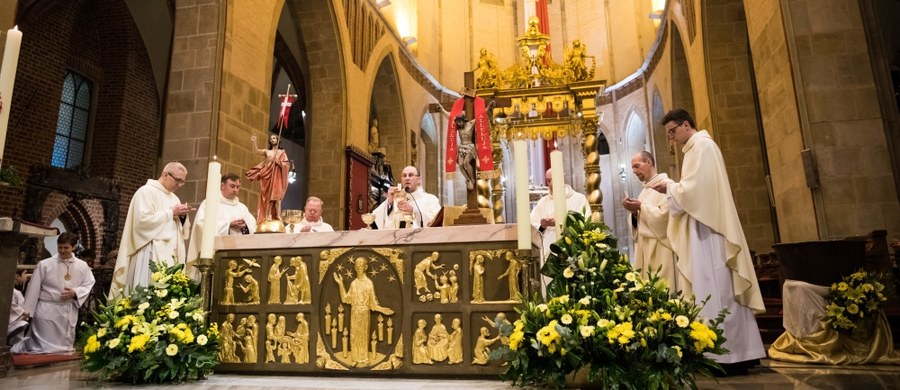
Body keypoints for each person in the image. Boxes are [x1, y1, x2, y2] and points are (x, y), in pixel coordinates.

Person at [652, 108, 765, 374]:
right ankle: (720, 352)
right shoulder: (694, 150)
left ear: (686, 124)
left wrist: (669, 186)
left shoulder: (703, 147)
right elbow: (692, 191)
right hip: (701, 228)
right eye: (668, 134)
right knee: (709, 291)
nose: (671, 139)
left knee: (720, 289)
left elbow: (696, 192)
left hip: (711, 232)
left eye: (672, 132)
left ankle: (731, 355)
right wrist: (673, 188)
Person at [109, 162, 193, 299]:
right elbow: (142, 222)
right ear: (165, 174)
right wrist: (171, 212)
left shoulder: (174, 198)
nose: (179, 185)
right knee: (148, 294)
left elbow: (179, 229)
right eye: (177, 180)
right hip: (151, 252)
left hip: (171, 254)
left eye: (182, 182)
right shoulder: (146, 192)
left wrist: (182, 217)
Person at [12, 232, 96, 354]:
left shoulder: (82, 266)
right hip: (46, 309)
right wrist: (28, 310)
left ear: (73, 247)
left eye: (66, 247)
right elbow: (33, 287)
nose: (62, 250)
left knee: (62, 348)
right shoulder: (45, 264)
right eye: (60, 247)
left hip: (67, 310)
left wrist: (76, 292)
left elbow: (89, 283)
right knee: (42, 347)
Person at [186, 173, 257, 280]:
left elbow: (253, 227)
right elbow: (201, 224)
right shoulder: (210, 203)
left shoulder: (242, 208)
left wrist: (244, 226)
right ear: (222, 185)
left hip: (238, 255)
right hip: (215, 255)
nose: (235, 190)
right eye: (232, 186)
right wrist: (228, 225)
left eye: (238, 187)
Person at [622, 151, 677, 288]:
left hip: (661, 249)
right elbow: (639, 225)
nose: (634, 171)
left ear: (649, 162)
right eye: (633, 168)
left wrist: (641, 207)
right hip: (645, 249)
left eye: (637, 166)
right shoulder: (645, 191)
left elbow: (665, 218)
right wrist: (634, 213)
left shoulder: (667, 185)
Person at [333, 257, 394, 367]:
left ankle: (364, 358)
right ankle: (355, 358)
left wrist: (383, 310)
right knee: (354, 336)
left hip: (365, 312)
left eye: (361, 265)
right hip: (355, 312)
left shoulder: (369, 283)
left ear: (365, 267)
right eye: (357, 265)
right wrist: (340, 284)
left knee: (363, 335)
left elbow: (373, 304)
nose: (359, 267)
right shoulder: (353, 283)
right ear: (355, 267)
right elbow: (345, 299)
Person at [530, 168, 591, 262]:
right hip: (547, 249)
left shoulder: (578, 199)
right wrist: (543, 226)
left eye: (551, 180)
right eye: (547, 180)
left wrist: (561, 222)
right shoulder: (543, 202)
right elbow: (533, 224)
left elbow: (585, 222)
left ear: (561, 179)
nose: (549, 184)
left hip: (571, 250)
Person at [371, 166, 441, 229]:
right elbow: (375, 216)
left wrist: (413, 210)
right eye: (404, 176)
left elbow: (436, 221)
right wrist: (390, 202)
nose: (407, 178)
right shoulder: (396, 199)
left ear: (419, 180)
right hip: (396, 241)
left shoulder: (431, 199)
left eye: (410, 175)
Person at [246, 133, 290, 222]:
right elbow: (256, 151)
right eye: (271, 138)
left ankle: (277, 215)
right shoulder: (267, 151)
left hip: (277, 178)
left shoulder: (282, 153)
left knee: (277, 197)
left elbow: (287, 165)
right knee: (268, 197)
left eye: (274, 138)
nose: (272, 139)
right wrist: (254, 142)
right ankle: (268, 214)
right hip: (267, 176)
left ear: (278, 140)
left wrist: (278, 162)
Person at [455, 114, 478, 190]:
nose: (459, 124)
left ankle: (472, 179)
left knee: (466, 162)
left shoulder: (470, 124)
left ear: (464, 120)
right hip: (461, 147)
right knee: (461, 165)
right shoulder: (458, 128)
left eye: (460, 122)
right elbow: (450, 117)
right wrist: (441, 110)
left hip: (469, 147)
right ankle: (467, 179)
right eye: (458, 122)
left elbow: (480, 115)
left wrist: (489, 107)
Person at [7, 270, 30, 347]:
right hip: (11, 321)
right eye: (25, 273)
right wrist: (22, 312)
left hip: (18, 317)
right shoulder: (12, 291)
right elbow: (10, 304)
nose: (27, 276)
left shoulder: (16, 291)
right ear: (17, 276)